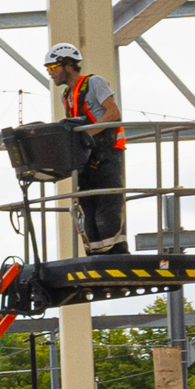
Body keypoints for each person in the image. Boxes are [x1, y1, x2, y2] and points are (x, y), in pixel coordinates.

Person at [50, 47, 126, 250]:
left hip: (107, 155)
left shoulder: (94, 82)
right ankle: (95, 255)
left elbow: (113, 113)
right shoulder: (66, 95)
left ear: (68, 65)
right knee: (88, 210)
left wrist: (86, 134)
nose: (51, 73)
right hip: (86, 159)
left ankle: (116, 255)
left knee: (107, 209)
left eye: (53, 67)